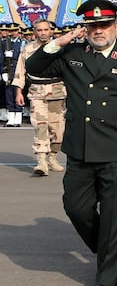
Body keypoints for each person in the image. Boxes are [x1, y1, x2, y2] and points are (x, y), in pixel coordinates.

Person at [25, 0, 117, 286]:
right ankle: (108, 249)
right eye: (92, 25)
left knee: (114, 216)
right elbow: (34, 67)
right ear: (85, 28)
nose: (98, 31)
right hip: (81, 148)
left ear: (116, 26)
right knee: (76, 207)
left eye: (104, 25)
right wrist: (58, 42)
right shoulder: (72, 54)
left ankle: (106, 278)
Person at [11, 19, 67, 176]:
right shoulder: (28, 49)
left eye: (45, 30)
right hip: (37, 92)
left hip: (57, 92)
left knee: (58, 131)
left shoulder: (60, 47)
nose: (43, 33)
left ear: (51, 31)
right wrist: (18, 92)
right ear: (34, 32)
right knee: (40, 126)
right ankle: (41, 160)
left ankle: (52, 157)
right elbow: (20, 72)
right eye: (39, 30)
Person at [1, 23, 24, 126]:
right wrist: (3, 72)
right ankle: (11, 118)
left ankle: (18, 118)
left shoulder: (22, 43)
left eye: (15, 31)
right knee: (9, 93)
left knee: (17, 92)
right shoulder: (5, 43)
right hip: (8, 69)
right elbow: (1, 58)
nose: (13, 33)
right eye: (11, 31)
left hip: (18, 69)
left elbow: (24, 57)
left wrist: (14, 54)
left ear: (18, 31)